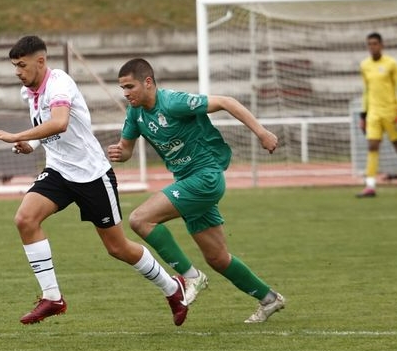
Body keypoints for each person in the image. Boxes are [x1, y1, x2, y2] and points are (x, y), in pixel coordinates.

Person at [0, 36, 189, 326]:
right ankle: (52, 297)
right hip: (58, 171)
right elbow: (48, 132)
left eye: (22, 65)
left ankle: (173, 288)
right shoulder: (28, 93)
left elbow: (60, 122)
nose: (18, 71)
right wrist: (31, 145)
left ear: (40, 61)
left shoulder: (60, 82)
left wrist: (16, 136)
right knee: (25, 219)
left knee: (117, 248)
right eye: (15, 66)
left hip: (91, 174)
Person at [107, 58, 286, 324]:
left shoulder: (173, 102)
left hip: (205, 177)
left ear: (148, 82)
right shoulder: (135, 113)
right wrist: (120, 153)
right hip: (187, 181)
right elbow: (128, 149)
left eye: (130, 86)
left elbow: (226, 101)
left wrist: (261, 132)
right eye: (122, 88)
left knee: (140, 219)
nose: (126, 93)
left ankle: (192, 277)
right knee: (217, 257)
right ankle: (269, 298)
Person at [356, 32, 397, 197]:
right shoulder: (365, 65)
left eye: (375, 43)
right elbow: (366, 91)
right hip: (374, 113)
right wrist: (363, 115)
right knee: (372, 146)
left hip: (391, 112)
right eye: (369, 44)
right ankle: (370, 185)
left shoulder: (391, 64)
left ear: (382, 45)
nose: (372, 47)